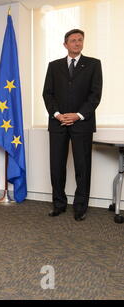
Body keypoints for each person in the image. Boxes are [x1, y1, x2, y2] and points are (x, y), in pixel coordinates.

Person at [43, 29, 103, 221]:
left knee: (82, 167)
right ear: (65, 44)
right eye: (73, 40)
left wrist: (77, 115)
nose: (77, 43)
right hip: (58, 123)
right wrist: (58, 114)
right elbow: (47, 94)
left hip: (82, 124)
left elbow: (95, 95)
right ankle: (59, 204)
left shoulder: (94, 64)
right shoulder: (54, 66)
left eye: (80, 40)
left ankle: (80, 207)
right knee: (57, 166)